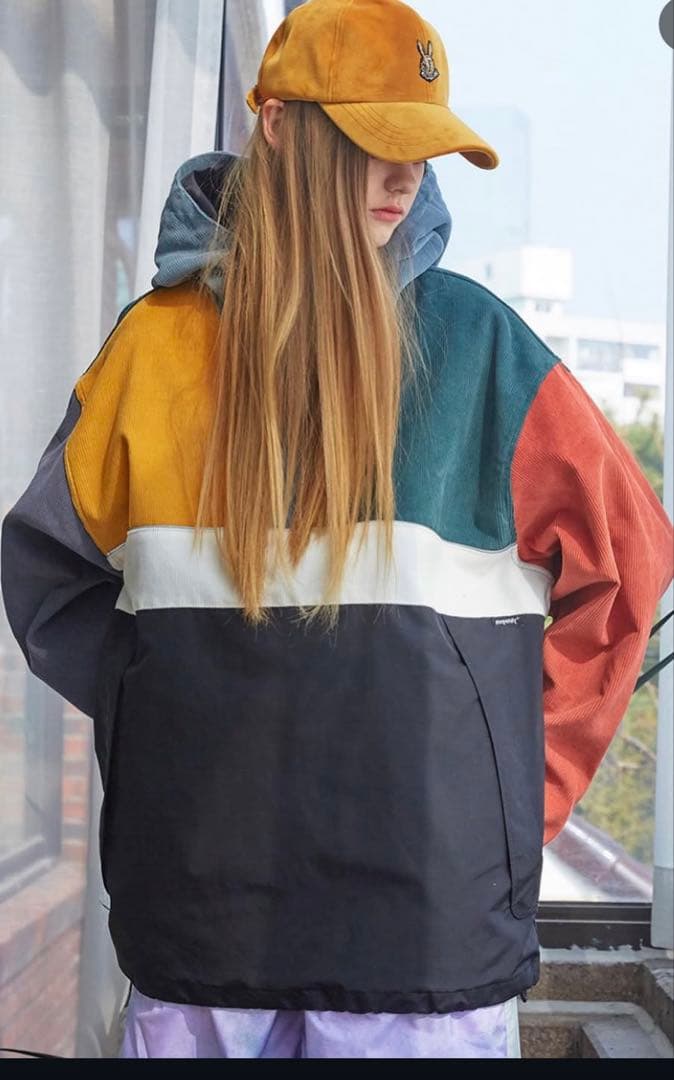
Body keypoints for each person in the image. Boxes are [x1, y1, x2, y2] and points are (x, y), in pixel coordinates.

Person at [1, 0, 673, 1061]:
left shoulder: (479, 351)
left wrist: (511, 796)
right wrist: (171, 731)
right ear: (276, 125)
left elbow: (628, 565)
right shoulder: (153, 352)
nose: (403, 178)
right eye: (373, 141)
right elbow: (50, 572)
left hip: (412, 946)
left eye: (421, 149)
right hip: (213, 931)